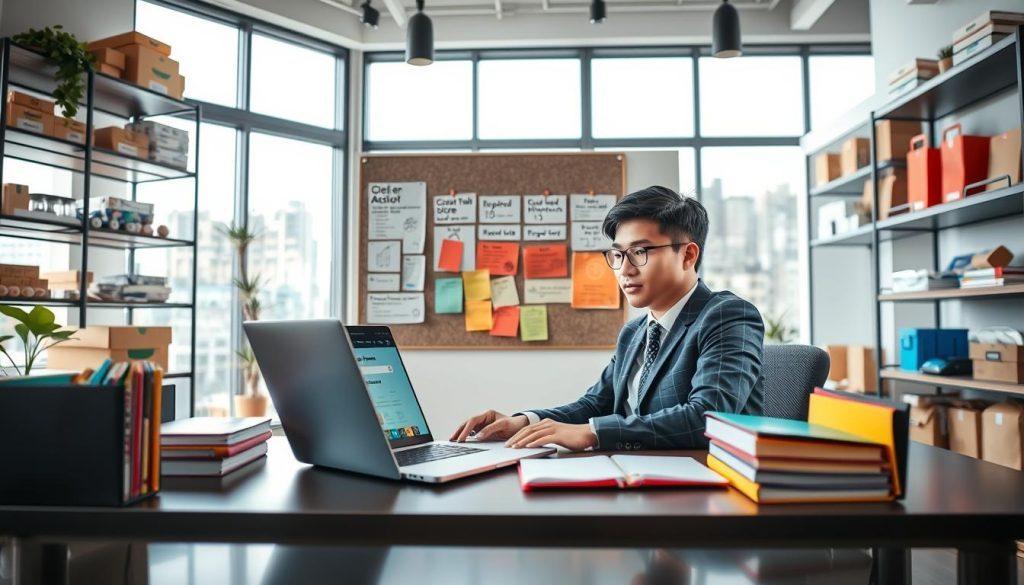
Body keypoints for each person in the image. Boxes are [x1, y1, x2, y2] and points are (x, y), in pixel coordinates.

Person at [450, 185, 764, 451]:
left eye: (640, 252)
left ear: (688, 255)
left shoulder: (726, 316)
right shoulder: (635, 333)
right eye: (617, 255)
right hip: (632, 480)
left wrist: (595, 432)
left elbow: (709, 417)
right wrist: (525, 422)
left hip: (702, 495)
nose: (625, 269)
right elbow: (595, 404)